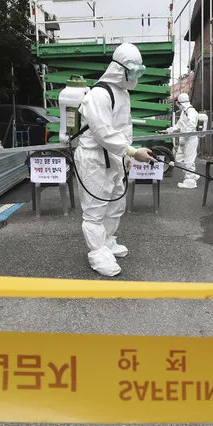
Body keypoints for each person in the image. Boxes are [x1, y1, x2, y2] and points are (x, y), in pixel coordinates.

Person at [75, 43, 156, 276]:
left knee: (115, 205)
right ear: (119, 68)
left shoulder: (123, 93)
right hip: (94, 159)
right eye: (133, 70)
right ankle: (97, 251)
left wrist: (125, 157)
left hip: (115, 157)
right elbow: (104, 133)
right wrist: (131, 152)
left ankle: (108, 240)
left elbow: (124, 128)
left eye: (139, 71)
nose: (135, 76)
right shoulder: (99, 94)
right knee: (95, 208)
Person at [160, 93, 200, 189]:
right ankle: (192, 175)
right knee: (179, 159)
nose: (178, 105)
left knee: (188, 161)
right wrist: (168, 130)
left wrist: (185, 137)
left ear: (182, 103)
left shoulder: (191, 112)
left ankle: (190, 181)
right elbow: (179, 125)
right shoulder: (184, 112)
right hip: (184, 139)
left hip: (190, 139)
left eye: (178, 103)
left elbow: (191, 126)